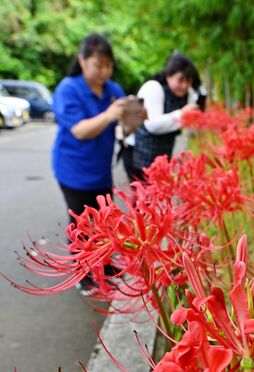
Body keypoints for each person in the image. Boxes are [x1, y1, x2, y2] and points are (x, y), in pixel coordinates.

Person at [52, 33, 142, 294]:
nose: (104, 71)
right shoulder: (69, 88)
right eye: (98, 64)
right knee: (81, 225)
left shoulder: (113, 90)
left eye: (108, 65)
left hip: (101, 170)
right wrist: (110, 114)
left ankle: (103, 265)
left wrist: (135, 117)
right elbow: (80, 130)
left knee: (104, 221)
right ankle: (84, 275)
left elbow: (125, 129)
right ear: (82, 61)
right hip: (73, 170)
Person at [122, 53, 204, 181]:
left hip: (160, 157)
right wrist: (182, 114)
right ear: (168, 75)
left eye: (188, 81)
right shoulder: (153, 88)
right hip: (137, 154)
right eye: (180, 80)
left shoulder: (184, 95)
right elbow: (153, 125)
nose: (184, 85)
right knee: (142, 198)